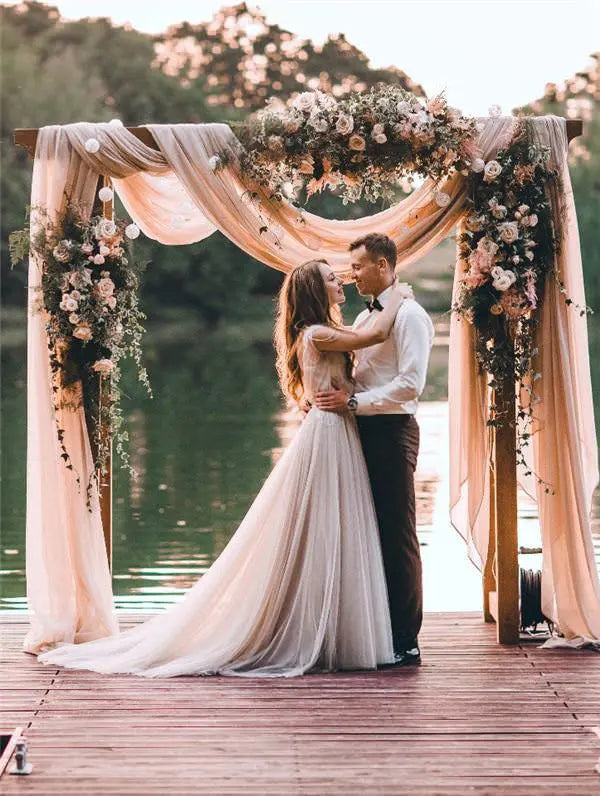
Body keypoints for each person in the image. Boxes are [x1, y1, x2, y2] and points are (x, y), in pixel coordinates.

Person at [39, 259, 410, 678]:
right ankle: (313, 626)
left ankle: (333, 624)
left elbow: (352, 365)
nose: (339, 280)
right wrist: (400, 295)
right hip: (328, 434)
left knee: (335, 524)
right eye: (330, 278)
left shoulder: (322, 333)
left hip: (336, 427)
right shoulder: (318, 333)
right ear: (313, 291)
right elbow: (375, 334)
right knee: (322, 523)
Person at [313, 234, 434, 667]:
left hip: (392, 430)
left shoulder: (411, 317)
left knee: (396, 533)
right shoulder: (366, 319)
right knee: (366, 531)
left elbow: (410, 384)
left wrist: (353, 403)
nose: (352, 274)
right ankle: (376, 629)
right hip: (360, 432)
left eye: (359, 267)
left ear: (383, 265)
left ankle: (406, 639)